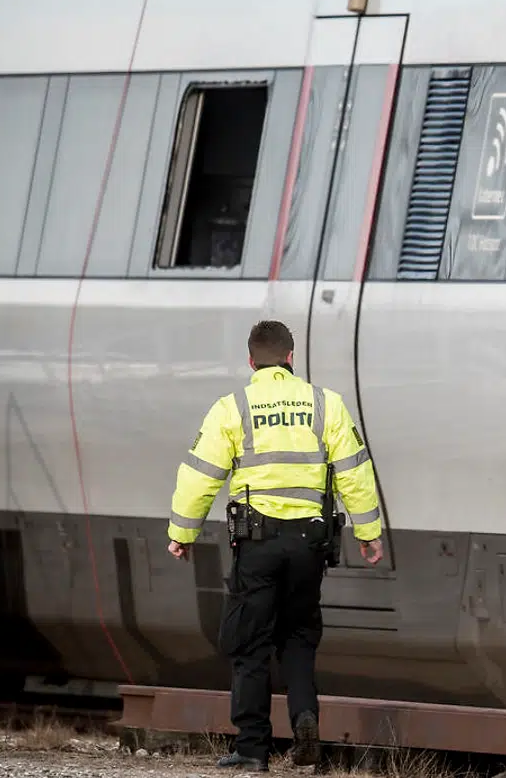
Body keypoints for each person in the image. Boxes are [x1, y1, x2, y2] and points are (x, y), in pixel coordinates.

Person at [166, 320, 384, 772]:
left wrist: (182, 533)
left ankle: (252, 749)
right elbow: (355, 472)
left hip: (257, 542)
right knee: (298, 636)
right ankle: (305, 720)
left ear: (251, 362)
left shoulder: (233, 407)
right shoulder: (326, 404)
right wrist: (369, 533)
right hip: (309, 542)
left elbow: (200, 476)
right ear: (290, 358)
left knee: (250, 642)